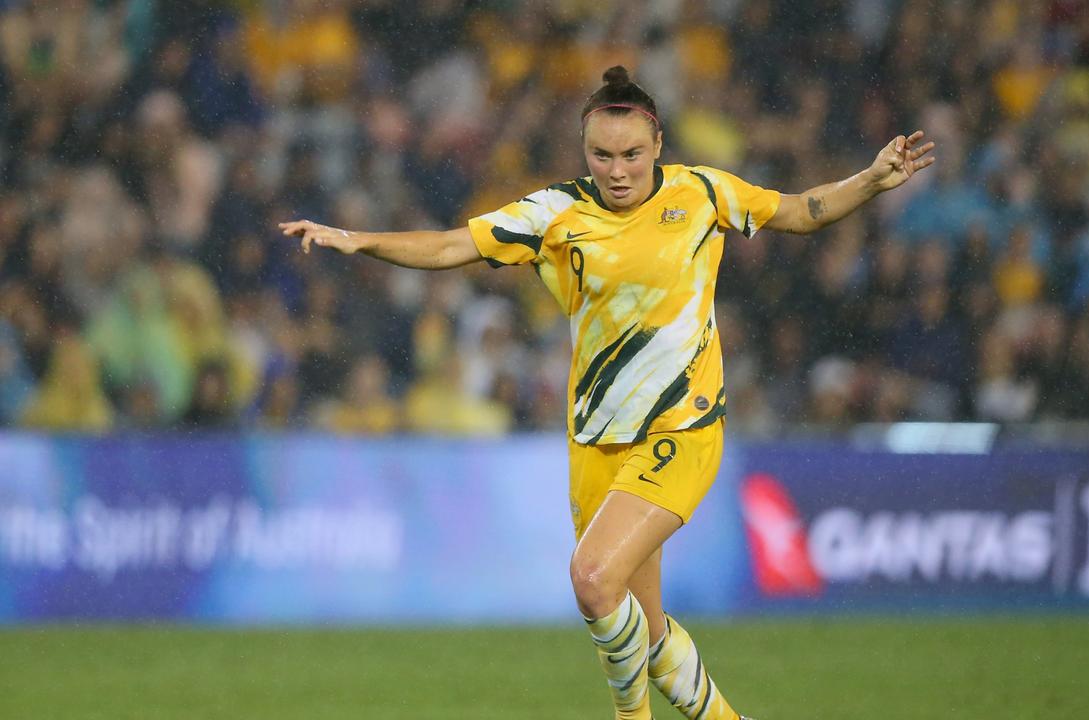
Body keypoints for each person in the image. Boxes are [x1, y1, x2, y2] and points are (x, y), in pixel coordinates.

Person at [280, 66, 934, 720]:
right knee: (646, 635)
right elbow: (455, 245)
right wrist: (359, 240)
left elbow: (798, 211)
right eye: (602, 155)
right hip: (597, 441)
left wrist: (870, 180)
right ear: (584, 151)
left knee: (592, 578)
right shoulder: (555, 213)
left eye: (631, 155)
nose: (617, 170)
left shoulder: (702, 193)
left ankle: (628, 716)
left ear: (657, 147)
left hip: (683, 428)